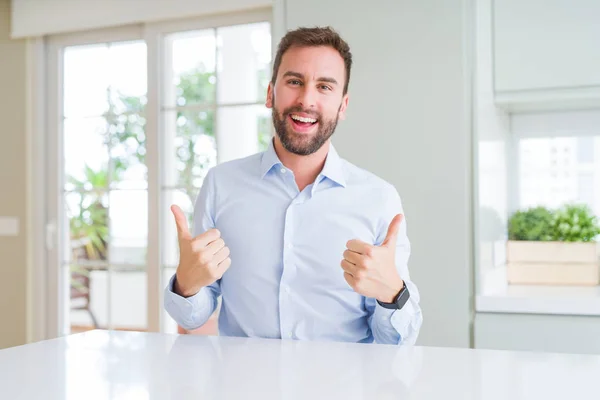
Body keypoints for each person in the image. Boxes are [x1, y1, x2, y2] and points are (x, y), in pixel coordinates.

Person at [164, 26, 422, 345]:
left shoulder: (379, 198)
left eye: (324, 86)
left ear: (343, 105)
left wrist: (392, 294)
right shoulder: (221, 184)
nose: (306, 100)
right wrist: (185, 285)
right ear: (271, 92)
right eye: (294, 81)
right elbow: (195, 314)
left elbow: (398, 339)